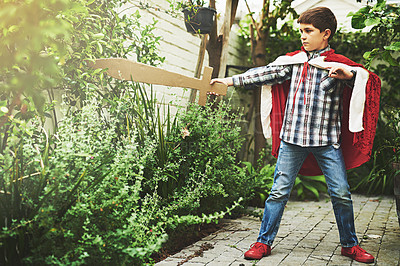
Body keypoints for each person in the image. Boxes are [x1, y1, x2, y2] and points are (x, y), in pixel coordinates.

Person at [210, 6, 381, 264]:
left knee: (342, 193)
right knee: (278, 192)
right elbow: (262, 73)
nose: (302, 36)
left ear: (326, 34)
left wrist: (349, 75)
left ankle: (350, 245)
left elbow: (364, 79)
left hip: (327, 143)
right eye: (301, 31)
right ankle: (263, 242)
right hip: (292, 140)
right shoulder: (293, 63)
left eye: (308, 31)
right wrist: (229, 81)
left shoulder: (338, 65)